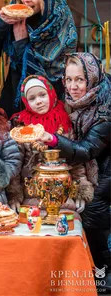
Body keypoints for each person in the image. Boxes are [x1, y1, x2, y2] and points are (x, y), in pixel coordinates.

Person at [38, 52, 111, 274]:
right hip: (88, 175)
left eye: (79, 79)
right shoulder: (75, 103)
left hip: (104, 178)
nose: (73, 86)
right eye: (69, 79)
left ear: (92, 78)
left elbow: (86, 151)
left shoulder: (104, 111)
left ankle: (102, 275)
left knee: (94, 220)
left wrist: (52, 139)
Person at [0, 0, 77, 118]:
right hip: (13, 100)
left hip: (46, 106)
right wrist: (1, 24)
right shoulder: (15, 17)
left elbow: (45, 79)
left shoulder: (60, 23)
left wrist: (22, 43)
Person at [6, 75, 94, 218]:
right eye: (32, 98)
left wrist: (80, 191)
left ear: (51, 94)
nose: (39, 101)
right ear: (26, 102)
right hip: (32, 198)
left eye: (42, 95)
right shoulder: (22, 128)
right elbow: (16, 164)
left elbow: (76, 161)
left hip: (63, 198)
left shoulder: (64, 124)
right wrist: (14, 195)